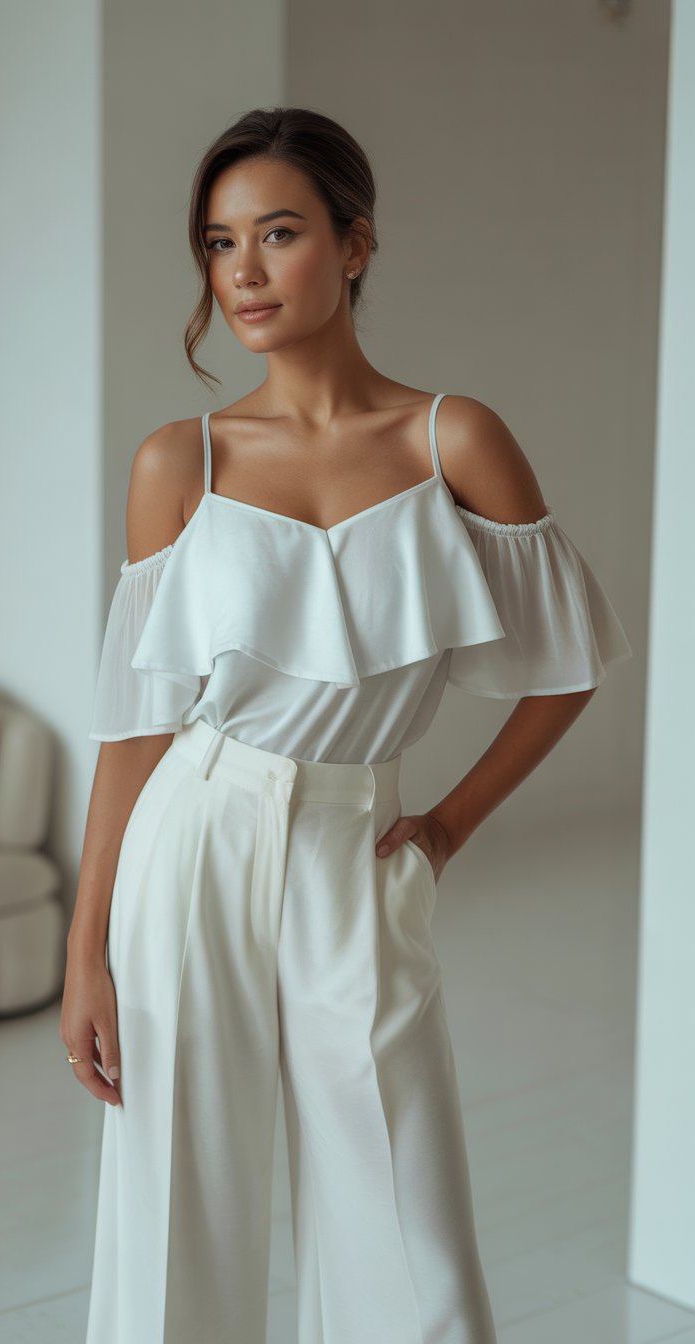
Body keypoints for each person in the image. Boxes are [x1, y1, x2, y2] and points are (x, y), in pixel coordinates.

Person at [61, 106, 632, 1344]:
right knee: (176, 1213)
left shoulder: (453, 439)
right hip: (195, 833)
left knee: (405, 1214)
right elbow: (135, 728)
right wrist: (85, 947)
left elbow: (570, 666)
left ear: (355, 244)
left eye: (279, 233)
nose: (245, 272)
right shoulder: (178, 463)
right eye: (220, 244)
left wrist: (450, 826)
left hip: (356, 841)